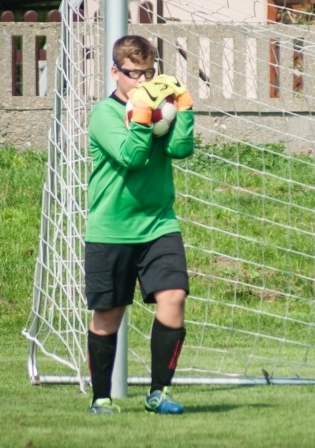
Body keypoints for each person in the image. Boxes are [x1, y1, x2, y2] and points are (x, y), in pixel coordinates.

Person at [84, 34, 195, 415]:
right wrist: (147, 114)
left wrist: (184, 107)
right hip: (112, 230)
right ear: (115, 72)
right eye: (134, 74)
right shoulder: (104, 114)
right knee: (108, 316)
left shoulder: (158, 110)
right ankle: (100, 399)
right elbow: (132, 157)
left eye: (150, 73)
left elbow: (180, 149)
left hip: (159, 223)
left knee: (174, 297)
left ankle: (158, 393)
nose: (143, 81)